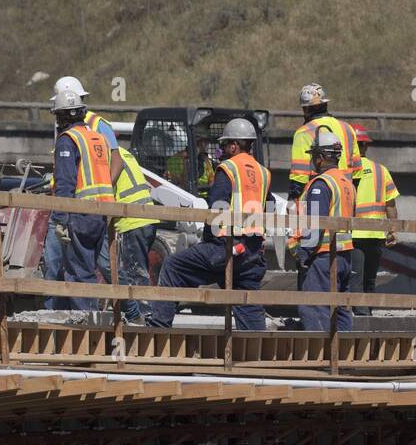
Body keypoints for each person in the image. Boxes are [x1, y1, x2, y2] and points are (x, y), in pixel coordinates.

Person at [147, 118, 269, 330]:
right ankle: (256, 350)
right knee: (245, 299)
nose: (221, 150)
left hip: (226, 247)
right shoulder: (263, 173)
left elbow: (217, 207)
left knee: (173, 267)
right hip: (251, 252)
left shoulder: (228, 168)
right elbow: (268, 206)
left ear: (234, 145)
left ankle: (157, 329)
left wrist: (208, 240)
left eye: (224, 146)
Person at [46, 76, 118, 308]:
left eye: (57, 115)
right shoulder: (97, 137)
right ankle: (105, 318)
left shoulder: (68, 140)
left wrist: (60, 219)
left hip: (80, 215)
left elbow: (65, 184)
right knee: (100, 268)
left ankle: (85, 329)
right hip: (102, 213)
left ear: (63, 115)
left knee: (79, 272)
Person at [292, 126, 356, 332]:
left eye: (314, 156)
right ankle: (343, 359)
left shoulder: (321, 184)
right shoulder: (346, 183)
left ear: (320, 157)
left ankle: (321, 358)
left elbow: (315, 223)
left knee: (314, 307)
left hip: (323, 257)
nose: (312, 161)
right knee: (341, 309)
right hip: (344, 255)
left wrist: (304, 253)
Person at [97, 145, 160, 323]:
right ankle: (145, 315)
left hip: (132, 219)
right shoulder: (123, 152)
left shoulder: (108, 156)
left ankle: (142, 318)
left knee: (135, 272)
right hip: (147, 216)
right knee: (139, 269)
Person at [348, 123, 398, 312]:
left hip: (354, 234)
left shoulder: (347, 172)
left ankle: (359, 316)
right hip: (376, 235)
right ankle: (368, 313)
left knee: (355, 277)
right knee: (369, 278)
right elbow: (390, 205)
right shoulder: (381, 170)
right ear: (366, 146)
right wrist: (393, 230)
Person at [288, 83, 360, 200]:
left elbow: (299, 177)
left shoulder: (304, 132)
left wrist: (292, 200)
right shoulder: (347, 129)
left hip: (317, 198)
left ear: (305, 109)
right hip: (346, 197)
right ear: (325, 104)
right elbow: (357, 172)